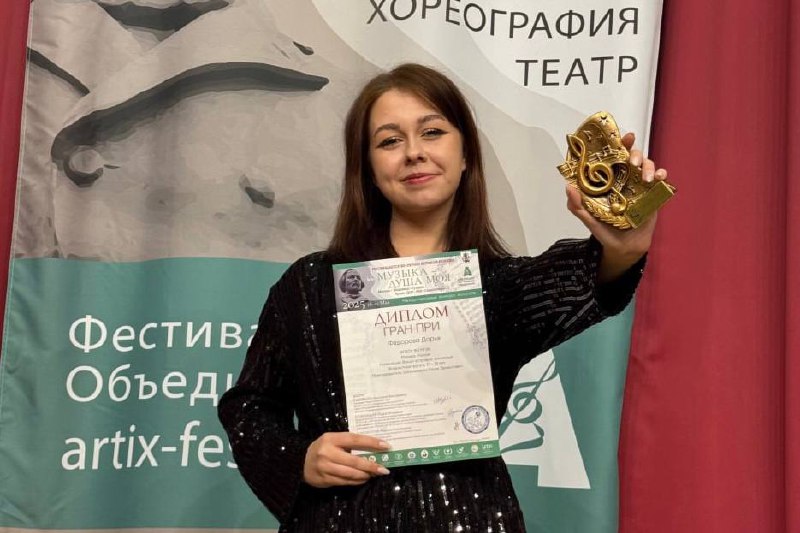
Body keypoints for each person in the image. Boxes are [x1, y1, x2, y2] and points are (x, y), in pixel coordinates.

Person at [218, 63, 668, 532]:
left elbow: (589, 277)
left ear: (466, 152)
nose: (414, 152)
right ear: (367, 168)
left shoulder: (500, 287)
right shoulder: (310, 284)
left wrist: (625, 245)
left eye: (432, 132)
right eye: (390, 141)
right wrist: (300, 459)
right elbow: (249, 406)